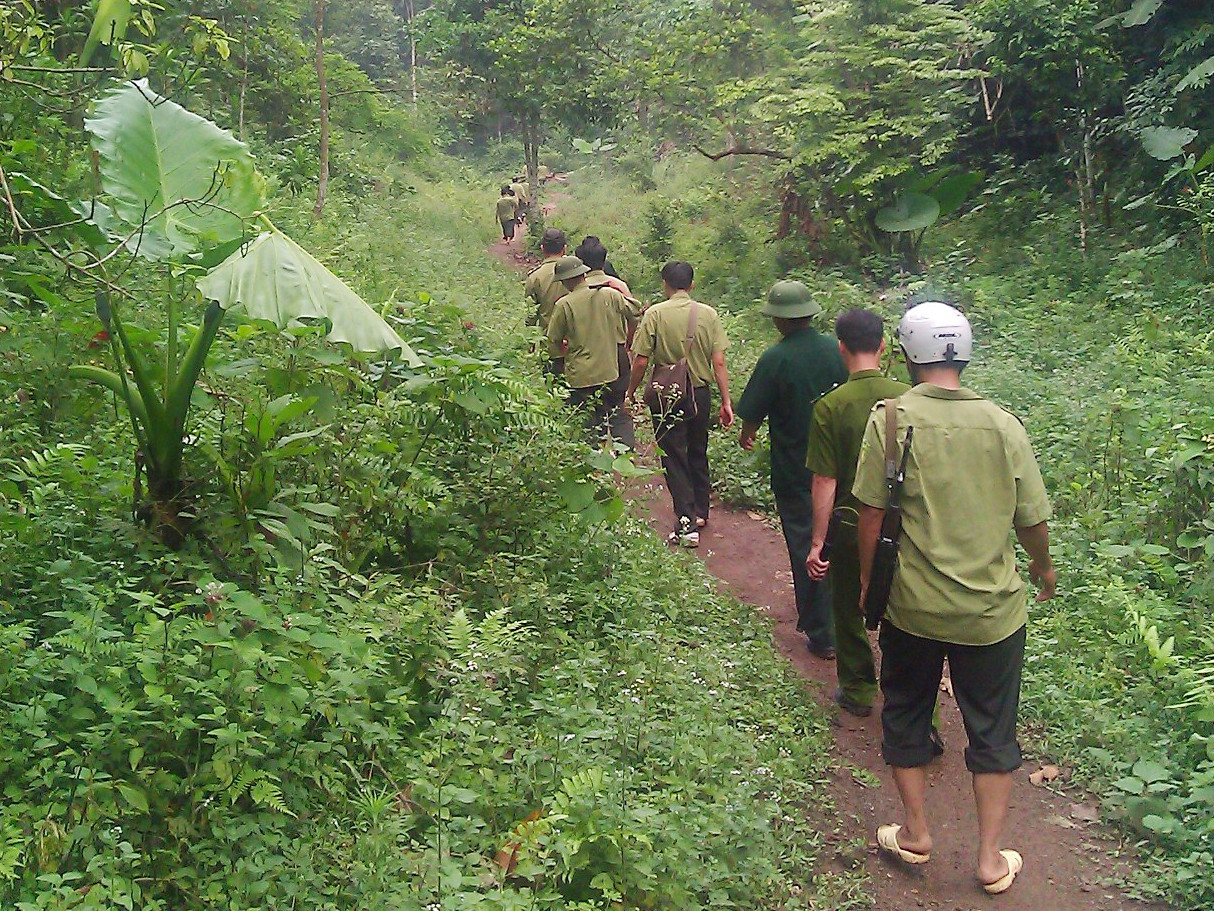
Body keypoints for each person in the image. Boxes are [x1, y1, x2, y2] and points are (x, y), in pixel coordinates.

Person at [852, 301, 1055, 895]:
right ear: (964, 353)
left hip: (911, 607)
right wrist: (1042, 568)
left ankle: (916, 832)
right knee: (992, 728)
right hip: (991, 614)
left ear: (905, 355)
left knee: (906, 710)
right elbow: (1032, 520)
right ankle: (990, 859)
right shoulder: (1003, 424)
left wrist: (868, 584)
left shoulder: (890, 420)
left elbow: (870, 514)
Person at [736, 280, 846, 658]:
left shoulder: (776, 359)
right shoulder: (837, 350)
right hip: (843, 466)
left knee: (806, 545)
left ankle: (822, 632)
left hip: (797, 470)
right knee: (839, 542)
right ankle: (847, 622)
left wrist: (747, 434)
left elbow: (752, 411)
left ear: (779, 320)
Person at [805, 308, 909, 712]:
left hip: (850, 523)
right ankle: (913, 703)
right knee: (904, 613)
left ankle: (858, 689)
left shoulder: (830, 405)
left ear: (841, 348)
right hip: (903, 523)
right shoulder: (908, 398)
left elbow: (824, 479)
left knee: (847, 606)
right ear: (882, 346)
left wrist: (818, 542)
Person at [627, 261, 734, 547]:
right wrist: (726, 401)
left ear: (665, 284)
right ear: (692, 284)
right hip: (700, 392)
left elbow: (641, 361)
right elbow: (719, 361)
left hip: (668, 393)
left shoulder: (655, 314)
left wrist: (631, 392)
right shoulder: (708, 314)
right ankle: (700, 512)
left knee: (674, 455)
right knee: (698, 449)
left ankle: (686, 523)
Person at [546, 255, 639, 448]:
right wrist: (618, 289)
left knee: (588, 419)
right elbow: (636, 310)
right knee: (617, 412)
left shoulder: (564, 304)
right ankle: (626, 454)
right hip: (609, 370)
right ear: (583, 274)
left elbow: (553, 340)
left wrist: (560, 356)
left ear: (565, 281)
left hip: (581, 376)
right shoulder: (608, 294)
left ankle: (593, 458)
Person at [576, 237, 640, 449]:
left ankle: (593, 454)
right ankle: (626, 453)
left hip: (585, 354)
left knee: (590, 408)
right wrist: (629, 341)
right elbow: (634, 315)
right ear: (604, 261)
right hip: (616, 352)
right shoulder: (617, 287)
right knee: (617, 407)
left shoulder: (574, 289)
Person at [525, 228, 567, 332]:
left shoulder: (535, 277)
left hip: (547, 336)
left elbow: (531, 314)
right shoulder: (577, 272)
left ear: (542, 248)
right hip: (574, 338)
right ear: (564, 248)